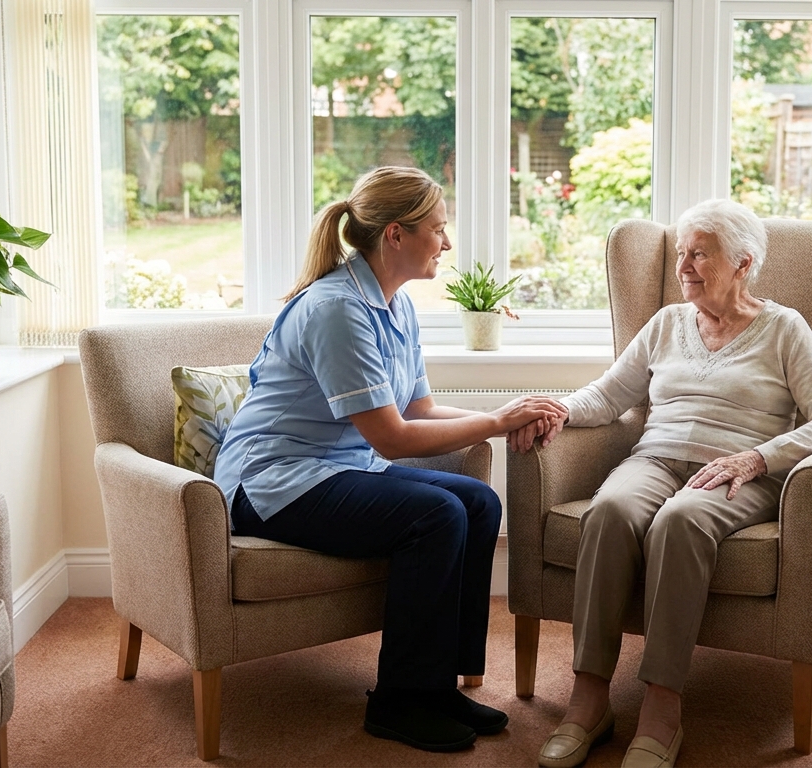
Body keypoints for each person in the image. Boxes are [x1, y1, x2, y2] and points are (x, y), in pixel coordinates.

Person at [214, 166, 567, 753]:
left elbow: (419, 407)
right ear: (397, 235)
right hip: (270, 481)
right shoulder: (336, 309)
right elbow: (394, 439)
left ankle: (439, 686)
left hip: (334, 469)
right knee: (435, 515)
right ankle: (399, 701)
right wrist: (499, 423)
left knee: (478, 502)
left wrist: (510, 418)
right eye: (439, 228)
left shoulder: (393, 303)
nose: (448, 244)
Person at [513, 199, 812, 768]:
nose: (684, 266)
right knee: (611, 510)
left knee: (678, 520)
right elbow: (607, 395)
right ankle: (589, 697)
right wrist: (557, 410)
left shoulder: (784, 328)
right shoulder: (668, 322)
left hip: (736, 472)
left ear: (744, 263)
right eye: (681, 254)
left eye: (700, 254)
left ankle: (662, 707)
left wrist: (757, 458)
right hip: (656, 458)